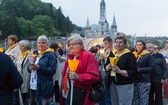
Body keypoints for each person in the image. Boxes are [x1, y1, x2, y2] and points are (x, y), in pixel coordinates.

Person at [60, 36, 100, 105]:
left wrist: (78, 77)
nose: (71, 46)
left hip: (81, 93)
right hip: (68, 92)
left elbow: (94, 76)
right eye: (69, 45)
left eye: (73, 44)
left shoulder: (88, 56)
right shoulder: (71, 57)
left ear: (81, 45)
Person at [105, 34, 137, 105]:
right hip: (113, 83)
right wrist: (108, 67)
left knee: (124, 103)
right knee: (114, 103)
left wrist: (120, 71)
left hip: (124, 84)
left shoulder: (129, 55)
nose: (118, 44)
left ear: (125, 44)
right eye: (116, 42)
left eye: (120, 42)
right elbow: (105, 67)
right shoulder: (112, 53)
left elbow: (134, 72)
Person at [28, 35, 57, 105]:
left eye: (43, 43)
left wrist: (39, 68)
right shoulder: (36, 54)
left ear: (47, 44)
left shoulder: (51, 55)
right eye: (39, 43)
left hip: (44, 86)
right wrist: (30, 68)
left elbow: (52, 70)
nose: (41, 44)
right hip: (34, 84)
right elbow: (30, 67)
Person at [132, 40, 154, 105]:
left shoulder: (147, 55)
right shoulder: (134, 55)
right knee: (135, 99)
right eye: (137, 45)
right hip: (135, 80)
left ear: (144, 46)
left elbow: (152, 67)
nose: (138, 46)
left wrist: (139, 70)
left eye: (140, 45)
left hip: (144, 80)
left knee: (144, 99)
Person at [99, 36, 115, 105]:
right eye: (104, 44)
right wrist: (100, 59)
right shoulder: (105, 51)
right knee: (102, 94)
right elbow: (101, 63)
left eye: (106, 43)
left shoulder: (114, 51)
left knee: (108, 96)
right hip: (102, 75)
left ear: (111, 43)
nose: (104, 45)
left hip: (109, 76)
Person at [16, 40, 31, 105]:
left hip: (26, 78)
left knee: (25, 95)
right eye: (20, 46)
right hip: (19, 77)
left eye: (21, 46)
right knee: (20, 95)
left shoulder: (30, 55)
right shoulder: (20, 55)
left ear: (26, 47)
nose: (20, 48)